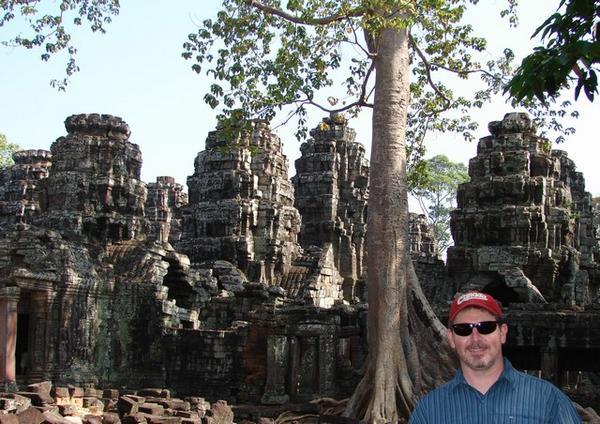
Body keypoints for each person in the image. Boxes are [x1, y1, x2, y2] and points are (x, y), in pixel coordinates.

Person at [409, 291, 581, 423]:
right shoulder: (430, 410)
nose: (475, 339)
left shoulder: (548, 400)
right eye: (463, 330)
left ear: (502, 333)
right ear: (451, 339)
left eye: (486, 327)